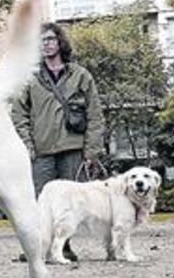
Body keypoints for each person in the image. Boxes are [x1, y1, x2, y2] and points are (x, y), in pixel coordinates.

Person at [12, 22, 106, 262]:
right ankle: (36, 248)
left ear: (60, 42)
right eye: (41, 41)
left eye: (51, 39)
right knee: (39, 203)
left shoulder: (81, 75)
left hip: (73, 149)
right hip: (41, 151)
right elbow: (18, 114)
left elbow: (95, 114)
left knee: (70, 204)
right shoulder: (30, 78)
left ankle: (63, 247)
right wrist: (28, 145)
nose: (46, 44)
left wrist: (92, 151)